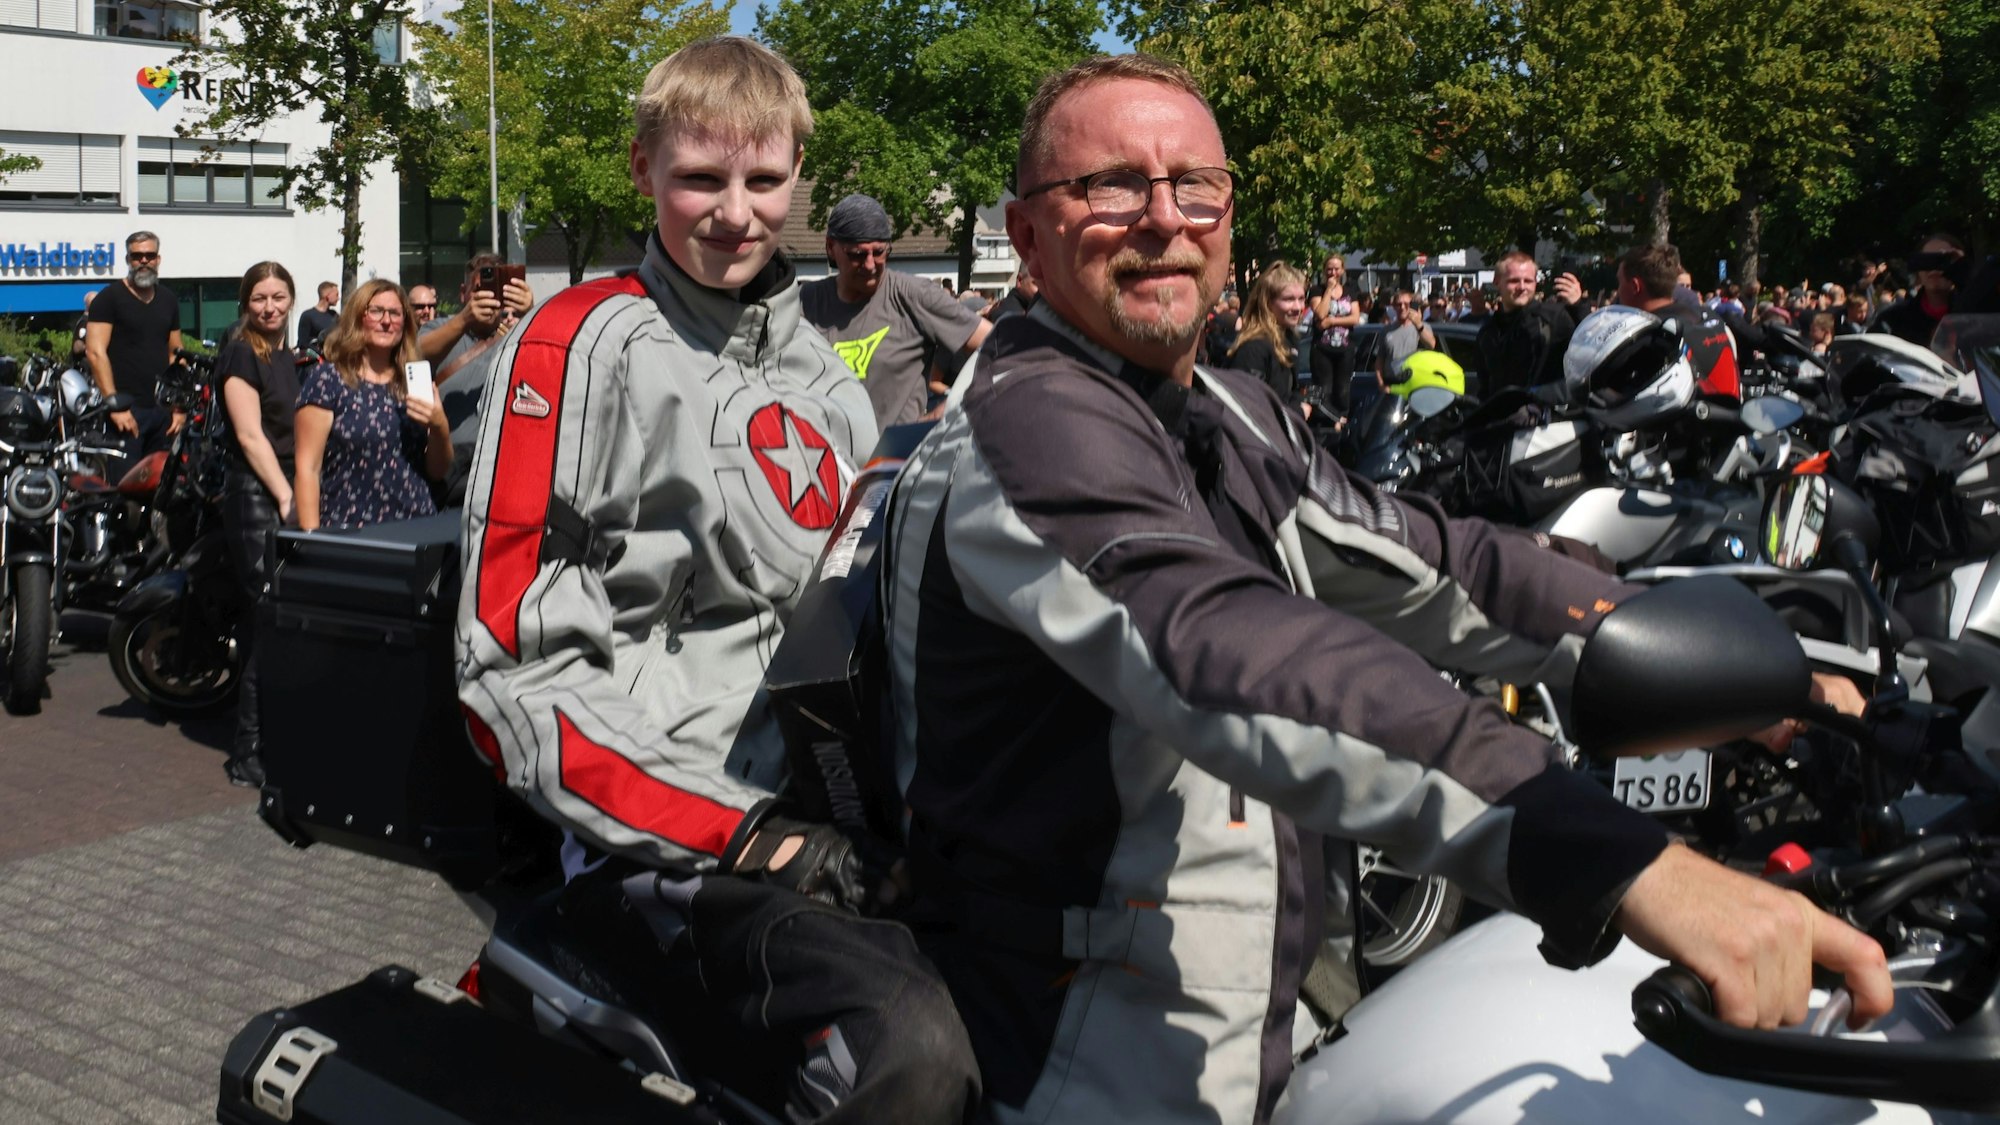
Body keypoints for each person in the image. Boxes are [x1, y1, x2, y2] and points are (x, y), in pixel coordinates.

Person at [881, 53, 1891, 1124]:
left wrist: (1689, 642)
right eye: (1111, 185)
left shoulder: (1226, 411)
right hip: (1093, 1059)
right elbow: (1229, 653)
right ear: (1026, 233)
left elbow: (1435, 559)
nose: (1162, 219)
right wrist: (1611, 857)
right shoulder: (1028, 422)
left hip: (1262, 1023)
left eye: (1194, 185)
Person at [453, 36, 976, 1123]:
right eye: (700, 177)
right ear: (642, 169)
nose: (735, 212)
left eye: (763, 180)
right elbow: (510, 676)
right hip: (658, 846)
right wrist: (746, 834)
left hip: (833, 824)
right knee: (911, 1052)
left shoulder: (828, 387)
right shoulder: (577, 346)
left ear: (797, 181)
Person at [214, 261, 304, 789]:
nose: (269, 307)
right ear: (246, 304)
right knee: (269, 616)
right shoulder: (242, 352)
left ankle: (272, 737)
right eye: (259, 299)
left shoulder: (286, 355)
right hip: (256, 496)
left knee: (276, 618)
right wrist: (287, 496)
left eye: (277, 296)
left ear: (291, 298)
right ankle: (248, 753)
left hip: (283, 489)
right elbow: (251, 437)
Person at [802, 193, 992, 427]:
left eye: (880, 252)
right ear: (831, 247)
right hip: (825, 458)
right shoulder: (804, 302)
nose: (870, 264)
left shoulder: (915, 295)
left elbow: (1000, 346)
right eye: (857, 255)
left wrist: (954, 404)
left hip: (898, 459)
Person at [292, 281, 451, 531]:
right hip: (351, 531)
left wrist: (440, 427)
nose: (386, 321)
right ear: (357, 317)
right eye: (376, 311)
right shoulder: (328, 379)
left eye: (395, 313)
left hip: (417, 529)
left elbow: (438, 470)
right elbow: (307, 469)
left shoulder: (414, 380)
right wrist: (312, 540)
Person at [1615, 243, 1771, 400]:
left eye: (1620, 282)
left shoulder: (1647, 337)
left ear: (1635, 286)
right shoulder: (1708, 318)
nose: (1619, 290)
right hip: (1727, 414)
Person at [84, 231, 182, 476]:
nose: (144, 261)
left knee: (161, 489)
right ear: (128, 259)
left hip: (163, 414)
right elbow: (95, 352)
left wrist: (179, 406)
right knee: (124, 489)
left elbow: (176, 355)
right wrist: (116, 406)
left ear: (158, 259)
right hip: (127, 412)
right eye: (137, 256)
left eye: (149, 255)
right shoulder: (109, 298)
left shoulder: (169, 300)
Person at [1474, 250, 1581, 393]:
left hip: (1544, 411)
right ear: (1497, 282)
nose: (1522, 287)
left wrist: (1578, 307)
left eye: (1528, 281)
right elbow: (1485, 385)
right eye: (1514, 281)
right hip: (1500, 413)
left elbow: (1591, 349)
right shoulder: (1488, 332)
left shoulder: (1554, 318)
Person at [1225, 261, 1308, 407]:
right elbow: (1249, 406)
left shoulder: (1290, 339)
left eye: (1301, 299)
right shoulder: (1254, 348)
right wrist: (1298, 413)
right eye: (1289, 299)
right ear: (1267, 303)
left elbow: (1290, 393)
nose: (1298, 307)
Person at [1307, 255, 1360, 415]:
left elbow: (1355, 318)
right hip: (1322, 348)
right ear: (1324, 270)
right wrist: (1329, 290)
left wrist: (1332, 322)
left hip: (1345, 348)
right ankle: (1323, 422)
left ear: (1342, 270)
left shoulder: (1350, 290)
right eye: (1329, 268)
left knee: (1343, 390)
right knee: (1324, 389)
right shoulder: (1317, 290)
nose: (1333, 272)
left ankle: (1341, 420)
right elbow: (1320, 314)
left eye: (1336, 269)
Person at [1378, 288, 1435, 380]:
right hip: (1391, 383)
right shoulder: (1386, 330)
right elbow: (1380, 360)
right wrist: (1381, 384)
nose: (1402, 307)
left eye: (1406, 304)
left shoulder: (1422, 327)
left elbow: (1431, 344)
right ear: (1394, 307)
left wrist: (1418, 324)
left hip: (1414, 383)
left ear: (1412, 306)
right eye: (1399, 304)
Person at [297, 282, 339, 353]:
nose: (338, 298)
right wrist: (321, 351)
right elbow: (302, 343)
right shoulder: (307, 316)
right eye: (336, 295)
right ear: (327, 296)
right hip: (315, 361)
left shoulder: (334, 315)